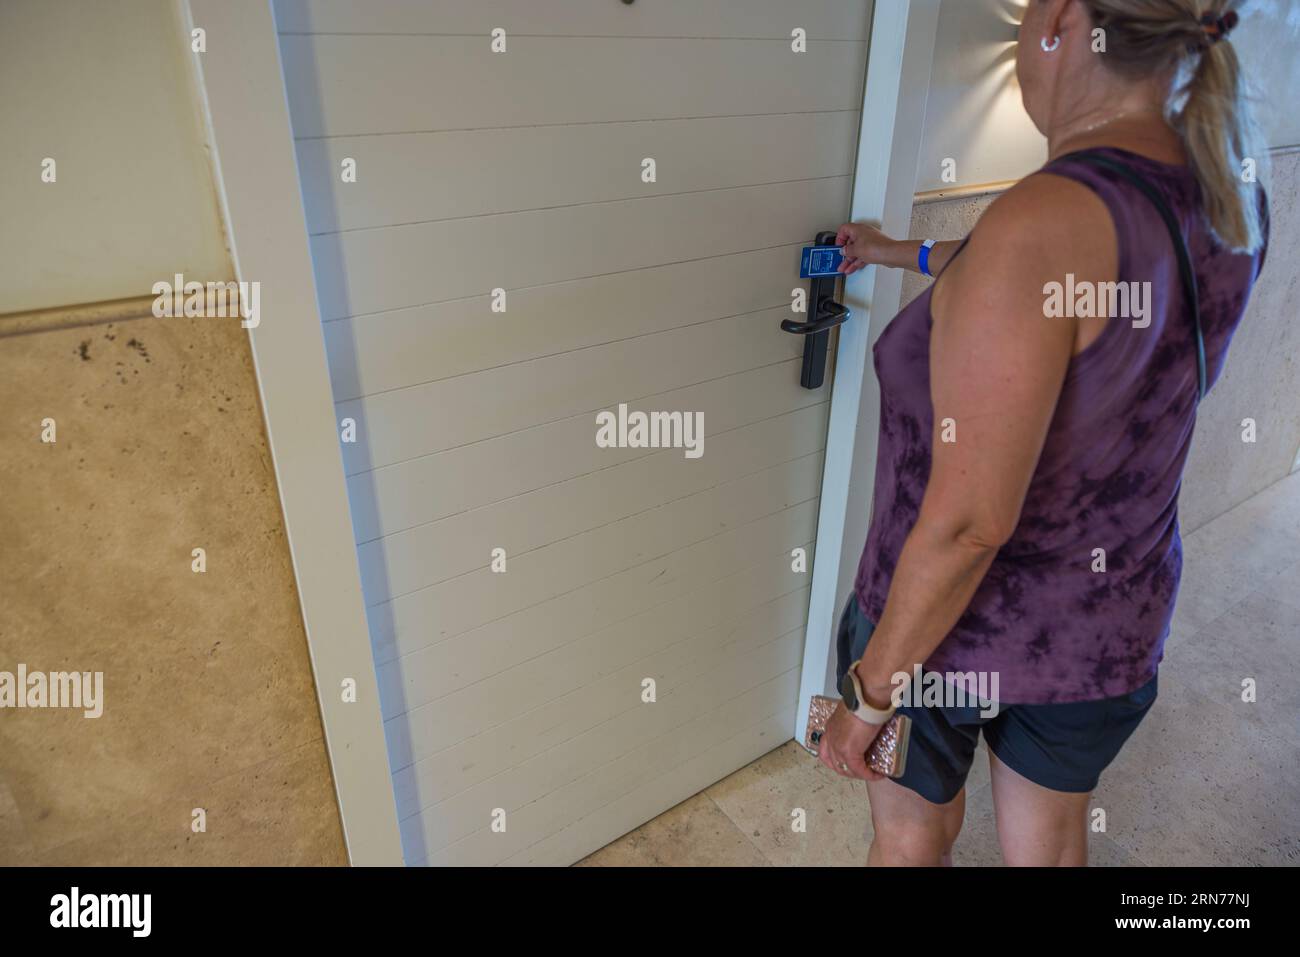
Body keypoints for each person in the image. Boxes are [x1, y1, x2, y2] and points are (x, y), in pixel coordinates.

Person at [817, 0, 1269, 866]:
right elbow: (1035, 291)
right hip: (1105, 623)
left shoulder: (1044, 222)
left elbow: (967, 523)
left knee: (910, 836)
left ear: (1059, 19)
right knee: (1049, 847)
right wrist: (895, 252)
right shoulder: (1228, 184)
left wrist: (868, 698)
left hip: (945, 632)